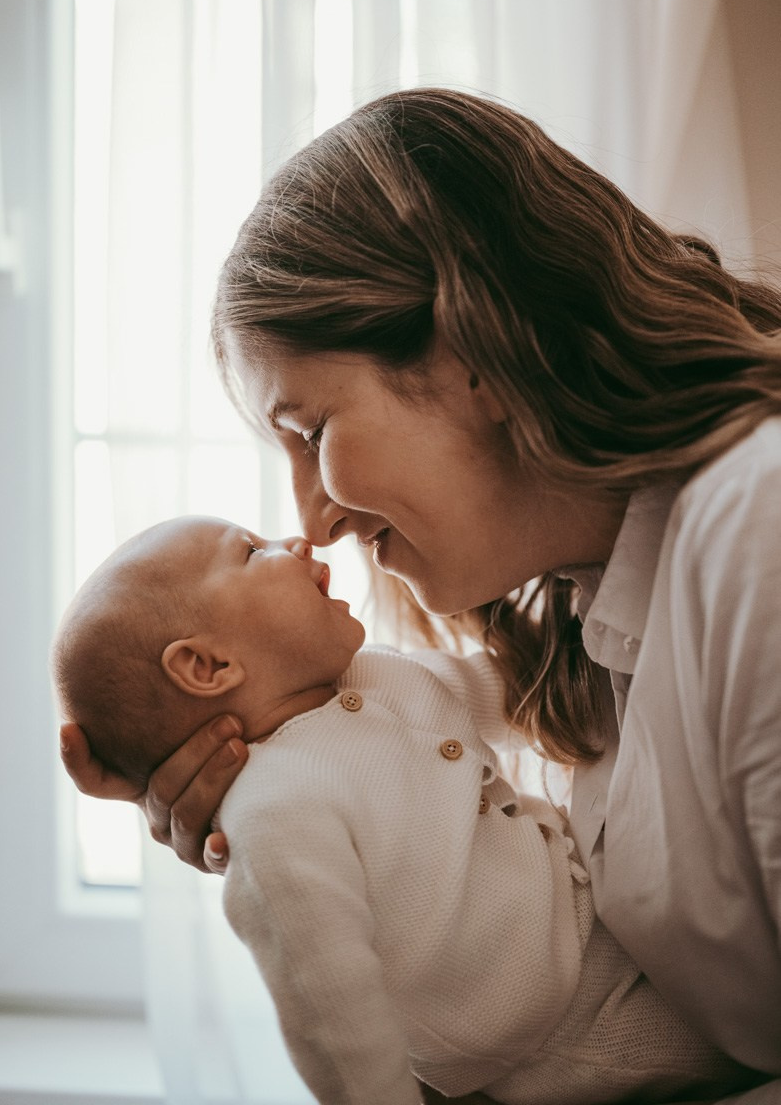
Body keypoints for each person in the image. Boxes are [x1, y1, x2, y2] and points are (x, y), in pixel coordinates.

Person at [60, 88, 781, 1096]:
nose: (314, 523)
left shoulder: (760, 531)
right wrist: (330, 853)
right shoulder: (590, 629)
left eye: (311, 434)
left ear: (472, 351)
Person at [52, 513, 760, 1105]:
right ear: (207, 668)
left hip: (593, 934)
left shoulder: (379, 673)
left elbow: (530, 695)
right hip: (556, 1034)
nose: (296, 542)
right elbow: (333, 1013)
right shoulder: (273, 815)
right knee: (745, 1045)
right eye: (249, 551)